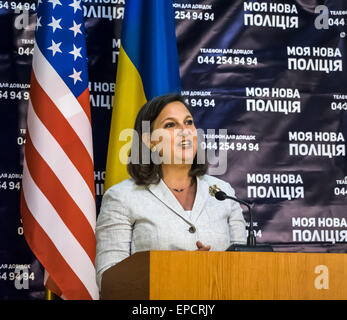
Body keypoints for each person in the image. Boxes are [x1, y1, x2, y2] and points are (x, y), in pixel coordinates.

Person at [95, 93, 247, 290]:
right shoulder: (121, 198)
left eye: (189, 122)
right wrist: (182, 270)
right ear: (150, 141)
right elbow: (109, 279)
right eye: (170, 125)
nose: (185, 131)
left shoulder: (223, 192)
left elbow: (246, 267)